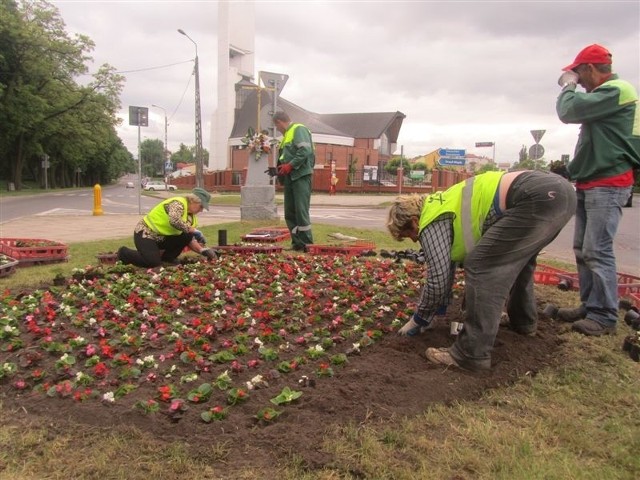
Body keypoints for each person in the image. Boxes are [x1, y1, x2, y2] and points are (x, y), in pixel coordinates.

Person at [387, 170, 576, 372]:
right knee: (518, 260)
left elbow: (438, 279)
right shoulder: (442, 203)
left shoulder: (430, 220)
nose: (415, 241)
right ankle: (523, 322)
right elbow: (446, 267)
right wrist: (438, 308)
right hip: (559, 190)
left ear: (414, 222)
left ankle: (470, 354)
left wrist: (418, 319)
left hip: (534, 196)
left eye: (408, 235)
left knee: (480, 265)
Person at [555, 44, 640, 336]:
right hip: (592, 180)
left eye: (578, 73)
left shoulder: (617, 90)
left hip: (609, 181)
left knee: (597, 249)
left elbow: (569, 110)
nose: (577, 79)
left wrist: (567, 87)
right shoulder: (606, 96)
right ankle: (590, 305)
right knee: (582, 249)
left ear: (590, 69)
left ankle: (603, 315)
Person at [117, 187, 217, 267]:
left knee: (187, 235)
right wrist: (193, 230)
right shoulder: (178, 203)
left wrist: (203, 250)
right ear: (194, 201)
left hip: (162, 238)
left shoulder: (192, 217)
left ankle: (167, 258)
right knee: (152, 262)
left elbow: (189, 239)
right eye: (201, 206)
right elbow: (174, 221)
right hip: (146, 233)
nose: (201, 210)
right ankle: (123, 253)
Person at [273, 111, 315, 251]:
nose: (277, 129)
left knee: (301, 211)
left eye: (276, 126)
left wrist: (290, 165)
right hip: (290, 178)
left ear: (279, 121)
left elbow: (305, 151)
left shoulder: (299, 129)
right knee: (290, 212)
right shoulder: (286, 136)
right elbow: (286, 157)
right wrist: (280, 170)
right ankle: (297, 242)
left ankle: (307, 243)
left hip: (300, 176)